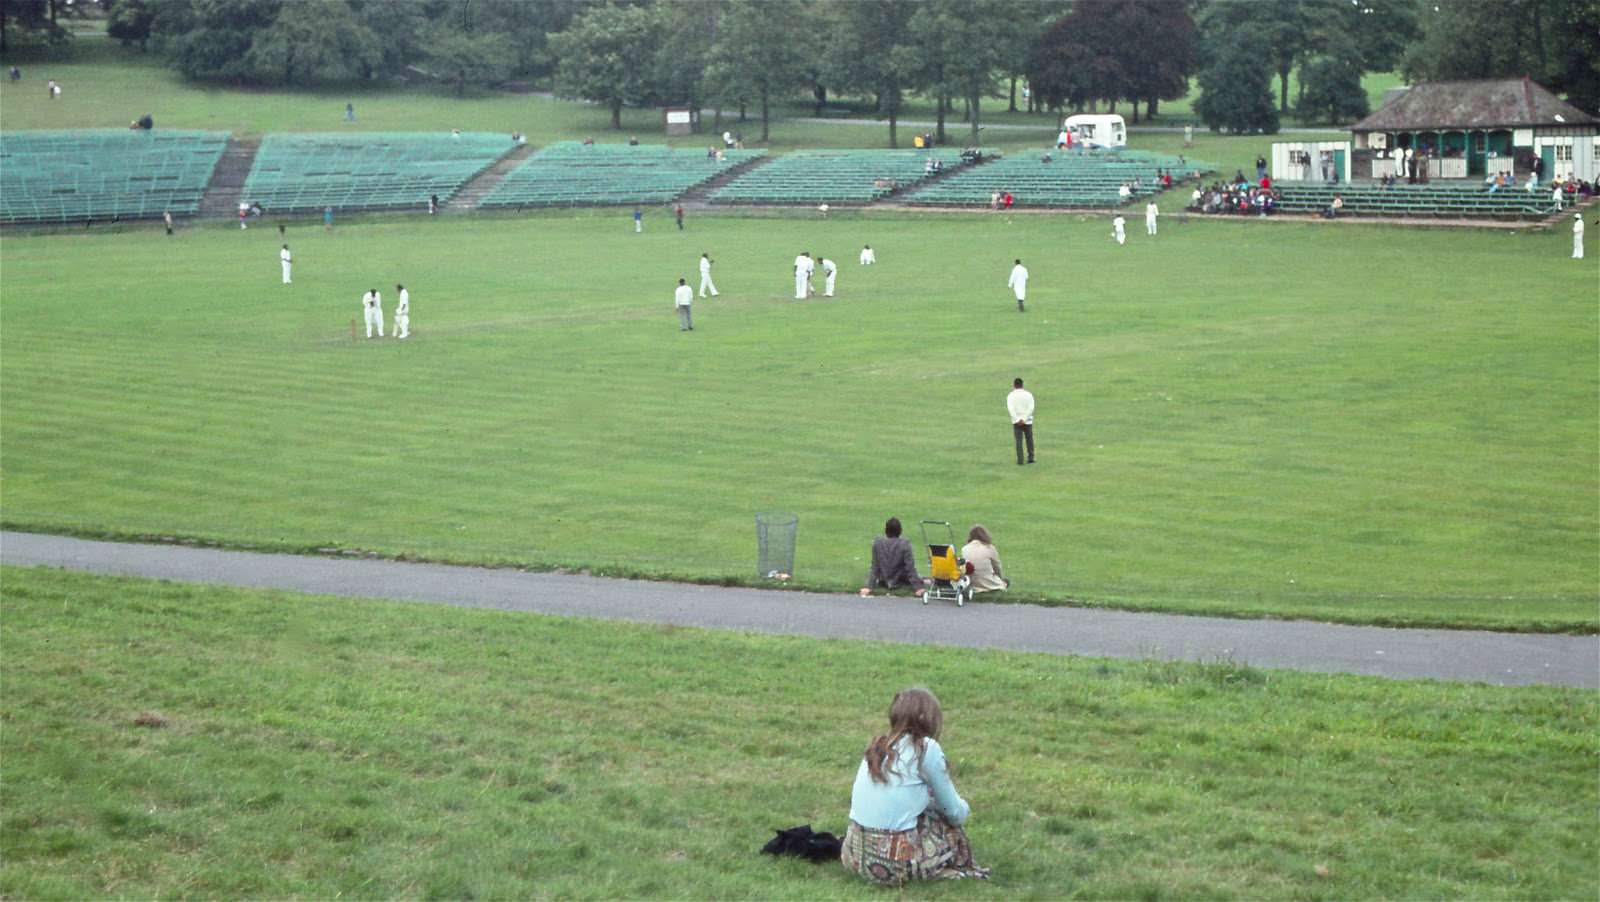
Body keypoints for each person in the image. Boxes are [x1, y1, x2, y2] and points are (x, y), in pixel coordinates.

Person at [841, 687, 987, 886]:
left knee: (926, 811)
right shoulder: (926, 749)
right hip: (895, 866)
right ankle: (940, 868)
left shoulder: (877, 746)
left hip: (854, 856)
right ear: (927, 718)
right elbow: (953, 811)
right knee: (948, 825)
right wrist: (965, 807)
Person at [861, 518, 923, 595]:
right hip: (900, 578)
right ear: (900, 530)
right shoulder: (905, 544)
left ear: (886, 530)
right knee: (920, 577)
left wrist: (868, 586)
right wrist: (918, 588)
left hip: (884, 578)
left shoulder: (877, 542)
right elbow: (910, 568)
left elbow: (875, 567)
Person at [960, 526, 1007, 593]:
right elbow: (997, 567)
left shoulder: (964, 549)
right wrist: (1000, 579)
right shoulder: (990, 548)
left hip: (972, 583)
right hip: (989, 583)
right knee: (1006, 581)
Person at [1008, 377, 1034, 465]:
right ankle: (1031, 457)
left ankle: (1020, 460)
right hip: (1028, 421)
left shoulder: (1011, 396)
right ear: (1022, 385)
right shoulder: (1028, 394)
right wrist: (1024, 418)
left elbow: (1011, 409)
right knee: (1029, 439)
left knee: (1019, 441)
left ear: (1014, 385)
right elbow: (1031, 408)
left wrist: (1017, 419)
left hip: (1016, 422)